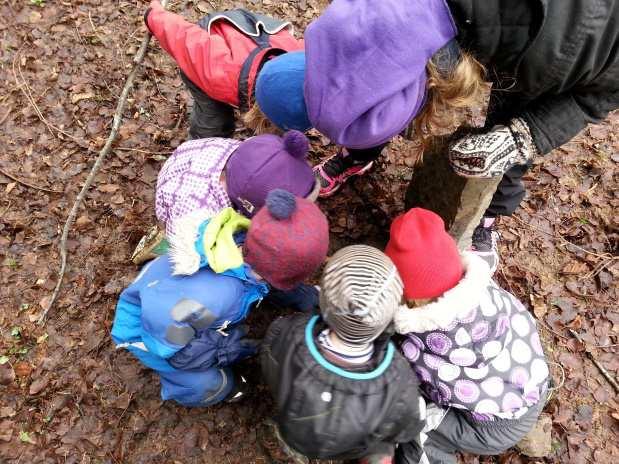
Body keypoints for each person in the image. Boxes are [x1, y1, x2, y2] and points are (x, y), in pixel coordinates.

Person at [305, 0, 619, 255]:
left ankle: (486, 215)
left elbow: (595, 99)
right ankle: (360, 152)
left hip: (543, 71)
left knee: (505, 139)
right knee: (383, 86)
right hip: (451, 17)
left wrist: (525, 135)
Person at [112, 190, 329, 407]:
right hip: (151, 335)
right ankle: (223, 388)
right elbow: (177, 353)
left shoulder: (244, 238)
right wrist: (224, 350)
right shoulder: (212, 298)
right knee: (202, 384)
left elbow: (269, 274)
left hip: (172, 298)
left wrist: (305, 296)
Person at [384, 208, 550, 464]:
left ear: (412, 300)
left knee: (416, 422)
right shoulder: (487, 291)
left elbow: (410, 381)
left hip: (496, 429)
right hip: (530, 380)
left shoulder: (425, 345)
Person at [261, 245, 425, 464]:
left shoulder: (290, 333)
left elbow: (269, 361)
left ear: (323, 301)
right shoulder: (399, 377)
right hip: (351, 448)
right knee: (382, 449)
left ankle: (293, 450)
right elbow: (408, 425)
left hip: (297, 431)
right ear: (388, 319)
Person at [144, 0, 308, 138]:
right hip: (215, 39)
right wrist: (153, 15)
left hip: (264, 33)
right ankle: (201, 151)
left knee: (280, 132)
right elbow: (182, 36)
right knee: (213, 125)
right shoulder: (219, 72)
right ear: (257, 113)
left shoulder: (303, 61)